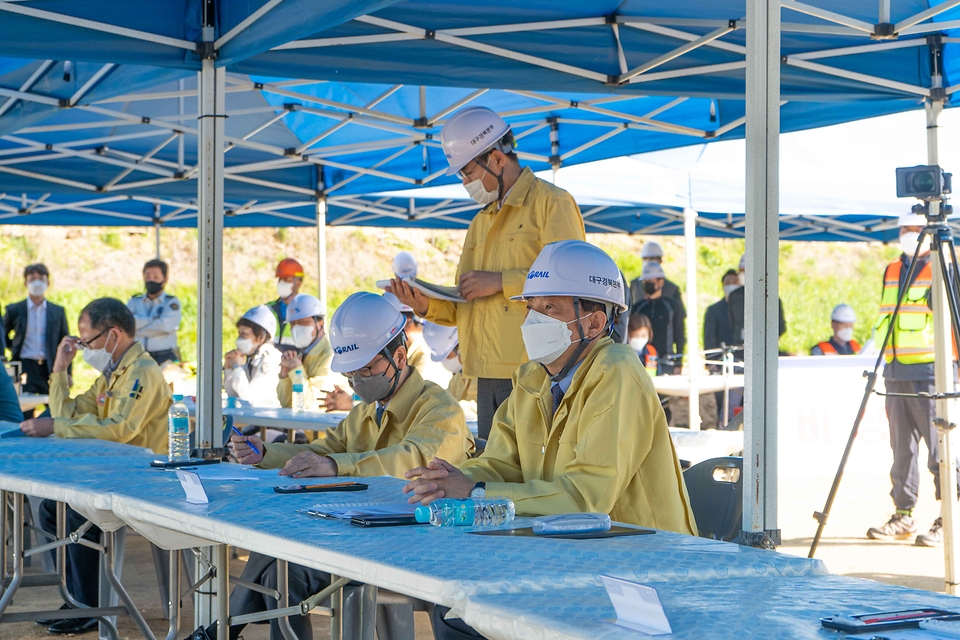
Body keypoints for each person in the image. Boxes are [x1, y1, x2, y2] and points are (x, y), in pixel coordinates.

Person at [403, 240, 696, 640]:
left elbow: (585, 500)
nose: (532, 320)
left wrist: (476, 491)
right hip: (573, 561)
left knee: (468, 617)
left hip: (643, 578)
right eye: (531, 307)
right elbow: (503, 462)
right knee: (455, 606)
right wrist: (450, 478)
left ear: (594, 323)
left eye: (550, 308)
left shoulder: (617, 372)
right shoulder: (533, 376)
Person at [205, 292, 473, 640]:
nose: (356, 382)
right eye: (350, 374)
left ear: (400, 356)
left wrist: (335, 466)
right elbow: (324, 450)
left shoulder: (441, 409)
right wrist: (265, 454)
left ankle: (223, 630)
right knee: (282, 571)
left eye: (364, 370)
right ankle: (226, 630)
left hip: (419, 545)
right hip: (364, 535)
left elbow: (411, 462)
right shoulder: (366, 409)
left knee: (280, 552)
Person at [389, 106, 585, 441]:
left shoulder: (552, 203)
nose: (466, 183)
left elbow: (574, 281)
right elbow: (467, 301)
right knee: (495, 475)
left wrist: (500, 282)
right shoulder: (481, 221)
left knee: (531, 476)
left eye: (467, 172)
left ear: (496, 159)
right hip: (484, 374)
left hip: (537, 372)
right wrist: (424, 304)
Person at [21, 298, 170, 635]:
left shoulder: (142, 373)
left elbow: (119, 429)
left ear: (113, 334)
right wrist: (59, 370)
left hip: (144, 477)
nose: (83, 347)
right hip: (111, 473)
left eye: (87, 341)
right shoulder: (111, 374)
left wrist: (57, 427)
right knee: (51, 509)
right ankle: (76, 598)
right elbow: (68, 413)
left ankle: (89, 605)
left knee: (76, 512)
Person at [867, 212, 958, 547]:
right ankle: (903, 514)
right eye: (904, 229)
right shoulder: (892, 268)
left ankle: (949, 517)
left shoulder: (943, 265)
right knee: (901, 450)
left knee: (940, 450)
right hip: (895, 370)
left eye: (915, 229)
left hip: (934, 372)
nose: (909, 234)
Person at [3, 263, 70, 415]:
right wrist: (12, 346)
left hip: (50, 366)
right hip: (25, 365)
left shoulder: (57, 311)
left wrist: (68, 372)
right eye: (32, 279)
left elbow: (65, 341)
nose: (37, 282)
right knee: (25, 410)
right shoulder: (15, 309)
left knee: (55, 409)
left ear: (48, 282)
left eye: (41, 278)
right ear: (25, 283)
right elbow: (3, 333)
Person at [276, 294, 332, 411]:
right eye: (292, 324)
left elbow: (312, 404)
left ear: (320, 323)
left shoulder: (330, 354)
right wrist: (285, 375)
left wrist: (296, 369)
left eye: (303, 322)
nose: (296, 328)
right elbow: (286, 404)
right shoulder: (302, 354)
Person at [630, 262, 684, 374]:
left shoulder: (673, 306)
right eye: (645, 282)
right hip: (641, 361)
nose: (647, 285)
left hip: (666, 362)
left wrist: (679, 362)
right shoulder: (638, 307)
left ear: (661, 282)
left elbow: (680, 334)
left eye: (650, 282)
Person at [224, 306, 282, 408]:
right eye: (239, 333)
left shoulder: (270, 359)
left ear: (261, 337)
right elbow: (233, 396)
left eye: (244, 334)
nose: (239, 338)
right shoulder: (253, 358)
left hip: (269, 421)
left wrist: (237, 367)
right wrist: (229, 369)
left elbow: (249, 399)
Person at [126, 258, 181, 365]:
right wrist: (154, 320)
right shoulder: (134, 301)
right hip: (138, 356)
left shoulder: (171, 302)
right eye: (147, 277)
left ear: (165, 279)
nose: (151, 280)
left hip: (164, 357)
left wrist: (138, 331)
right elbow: (126, 324)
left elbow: (166, 326)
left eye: (156, 277)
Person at [726, 253, 787, 346]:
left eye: (746, 271)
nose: (743, 274)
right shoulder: (734, 296)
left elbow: (780, 326)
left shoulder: (770, 296)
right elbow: (732, 324)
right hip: (740, 349)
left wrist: (766, 339)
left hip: (765, 348)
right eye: (741, 271)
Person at [422, 321, 478, 417]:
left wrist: (449, 408)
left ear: (462, 348)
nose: (445, 361)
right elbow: (446, 399)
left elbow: (484, 409)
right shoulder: (459, 377)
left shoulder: (486, 374)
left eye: (447, 356)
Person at [629, 241, 685, 315]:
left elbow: (679, 316)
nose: (648, 261)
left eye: (652, 258)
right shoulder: (634, 285)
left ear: (660, 260)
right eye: (645, 258)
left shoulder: (672, 288)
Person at [703, 269, 740, 356]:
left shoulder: (748, 310)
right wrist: (711, 361)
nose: (731, 285)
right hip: (722, 360)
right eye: (728, 283)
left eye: (735, 282)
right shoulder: (714, 310)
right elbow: (709, 337)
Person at [268, 258, 304, 346]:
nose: (282, 283)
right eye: (280, 279)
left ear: (298, 282)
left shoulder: (306, 311)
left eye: (287, 279)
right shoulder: (268, 309)